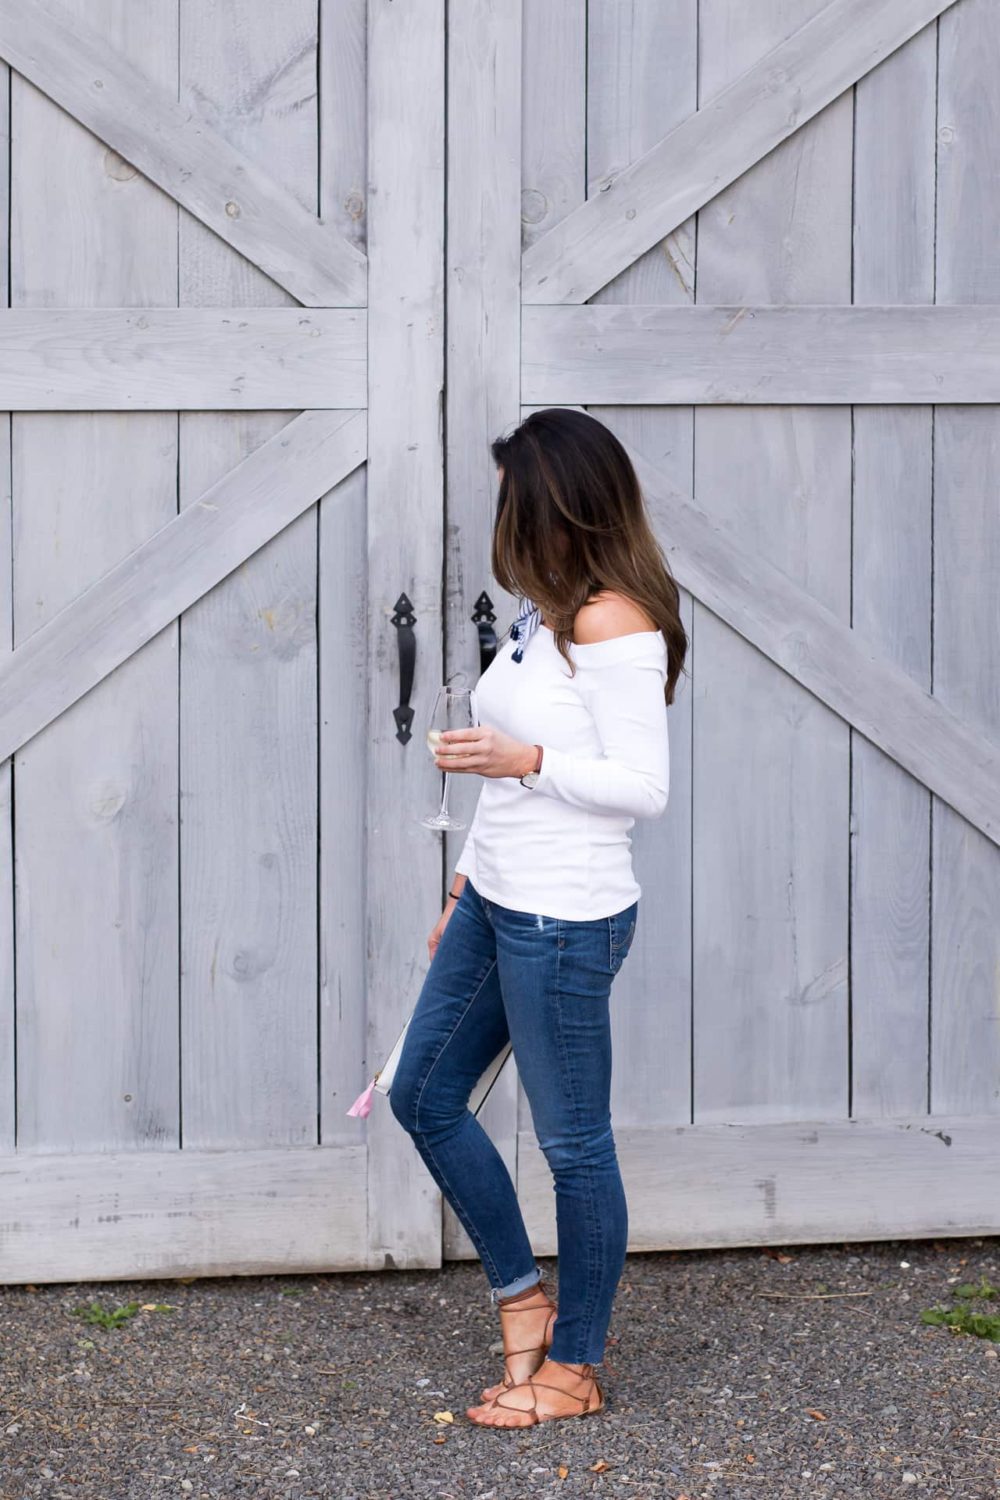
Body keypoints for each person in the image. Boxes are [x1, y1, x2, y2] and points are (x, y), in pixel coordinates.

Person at [389, 407, 689, 1428]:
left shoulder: (613, 621)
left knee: (573, 1148)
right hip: (498, 900)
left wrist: (529, 761)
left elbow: (642, 786)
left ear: (560, 504)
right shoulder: (541, 613)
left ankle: (575, 1365)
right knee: (422, 1092)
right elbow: (502, 780)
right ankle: (522, 1298)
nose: (503, 511)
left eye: (515, 493)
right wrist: (464, 884)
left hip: (566, 916)